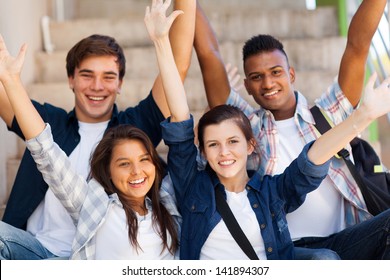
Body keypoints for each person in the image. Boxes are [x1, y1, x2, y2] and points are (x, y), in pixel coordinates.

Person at [144, 0, 390, 259]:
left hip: (347, 236)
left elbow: (357, 46)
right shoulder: (244, 129)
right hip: (287, 248)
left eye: (275, 72)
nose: (268, 82)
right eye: (257, 77)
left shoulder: (329, 114)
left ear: (291, 74)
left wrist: (362, 116)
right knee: (323, 260)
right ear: (247, 86)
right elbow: (209, 55)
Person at [0, 0, 195, 259]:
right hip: (38, 250)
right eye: (87, 75)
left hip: (98, 256)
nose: (97, 86)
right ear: (71, 79)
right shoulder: (48, 121)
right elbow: (34, 134)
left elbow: (178, 65)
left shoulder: (134, 129)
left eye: (108, 76)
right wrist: (10, 77)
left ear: (120, 83)